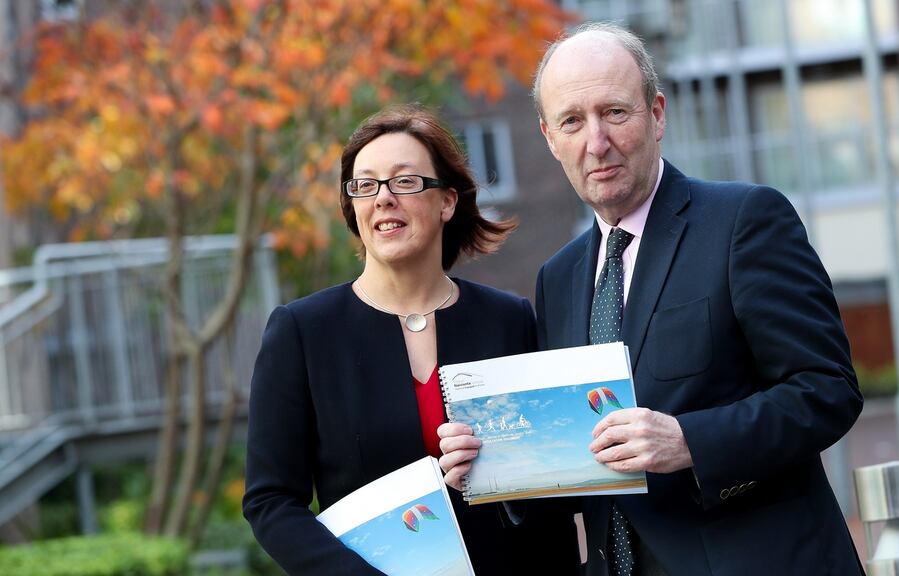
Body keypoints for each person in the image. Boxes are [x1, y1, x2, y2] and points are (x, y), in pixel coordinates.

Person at [440, 23, 865, 576]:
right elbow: (580, 458)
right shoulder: (558, 278)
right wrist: (498, 463)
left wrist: (691, 441)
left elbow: (828, 390)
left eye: (615, 112)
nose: (596, 142)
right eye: (572, 121)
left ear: (657, 114)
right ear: (549, 137)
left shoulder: (745, 222)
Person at [243, 104, 578, 575]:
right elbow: (271, 502)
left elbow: (548, 487)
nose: (383, 198)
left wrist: (499, 472)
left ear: (447, 202)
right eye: (365, 185)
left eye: (404, 181)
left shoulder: (508, 320)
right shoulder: (302, 331)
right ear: (352, 206)